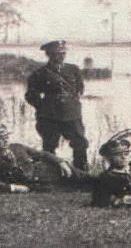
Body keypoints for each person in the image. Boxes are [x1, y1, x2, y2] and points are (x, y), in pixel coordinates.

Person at [24, 40, 89, 170]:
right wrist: (42, 106)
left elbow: (79, 89)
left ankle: (81, 172)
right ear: (49, 54)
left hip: (71, 114)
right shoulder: (40, 73)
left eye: (63, 53)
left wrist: (73, 103)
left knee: (80, 143)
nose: (61, 56)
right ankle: (51, 173)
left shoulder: (73, 69)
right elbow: (30, 95)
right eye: (57, 53)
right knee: (49, 145)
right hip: (49, 115)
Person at [0, 123, 92, 193]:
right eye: (0, 138)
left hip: (51, 171)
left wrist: (60, 161)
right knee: (77, 188)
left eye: (6, 136)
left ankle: (106, 180)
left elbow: (42, 154)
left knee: (88, 178)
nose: (5, 140)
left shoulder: (17, 147)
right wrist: (12, 188)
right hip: (38, 185)